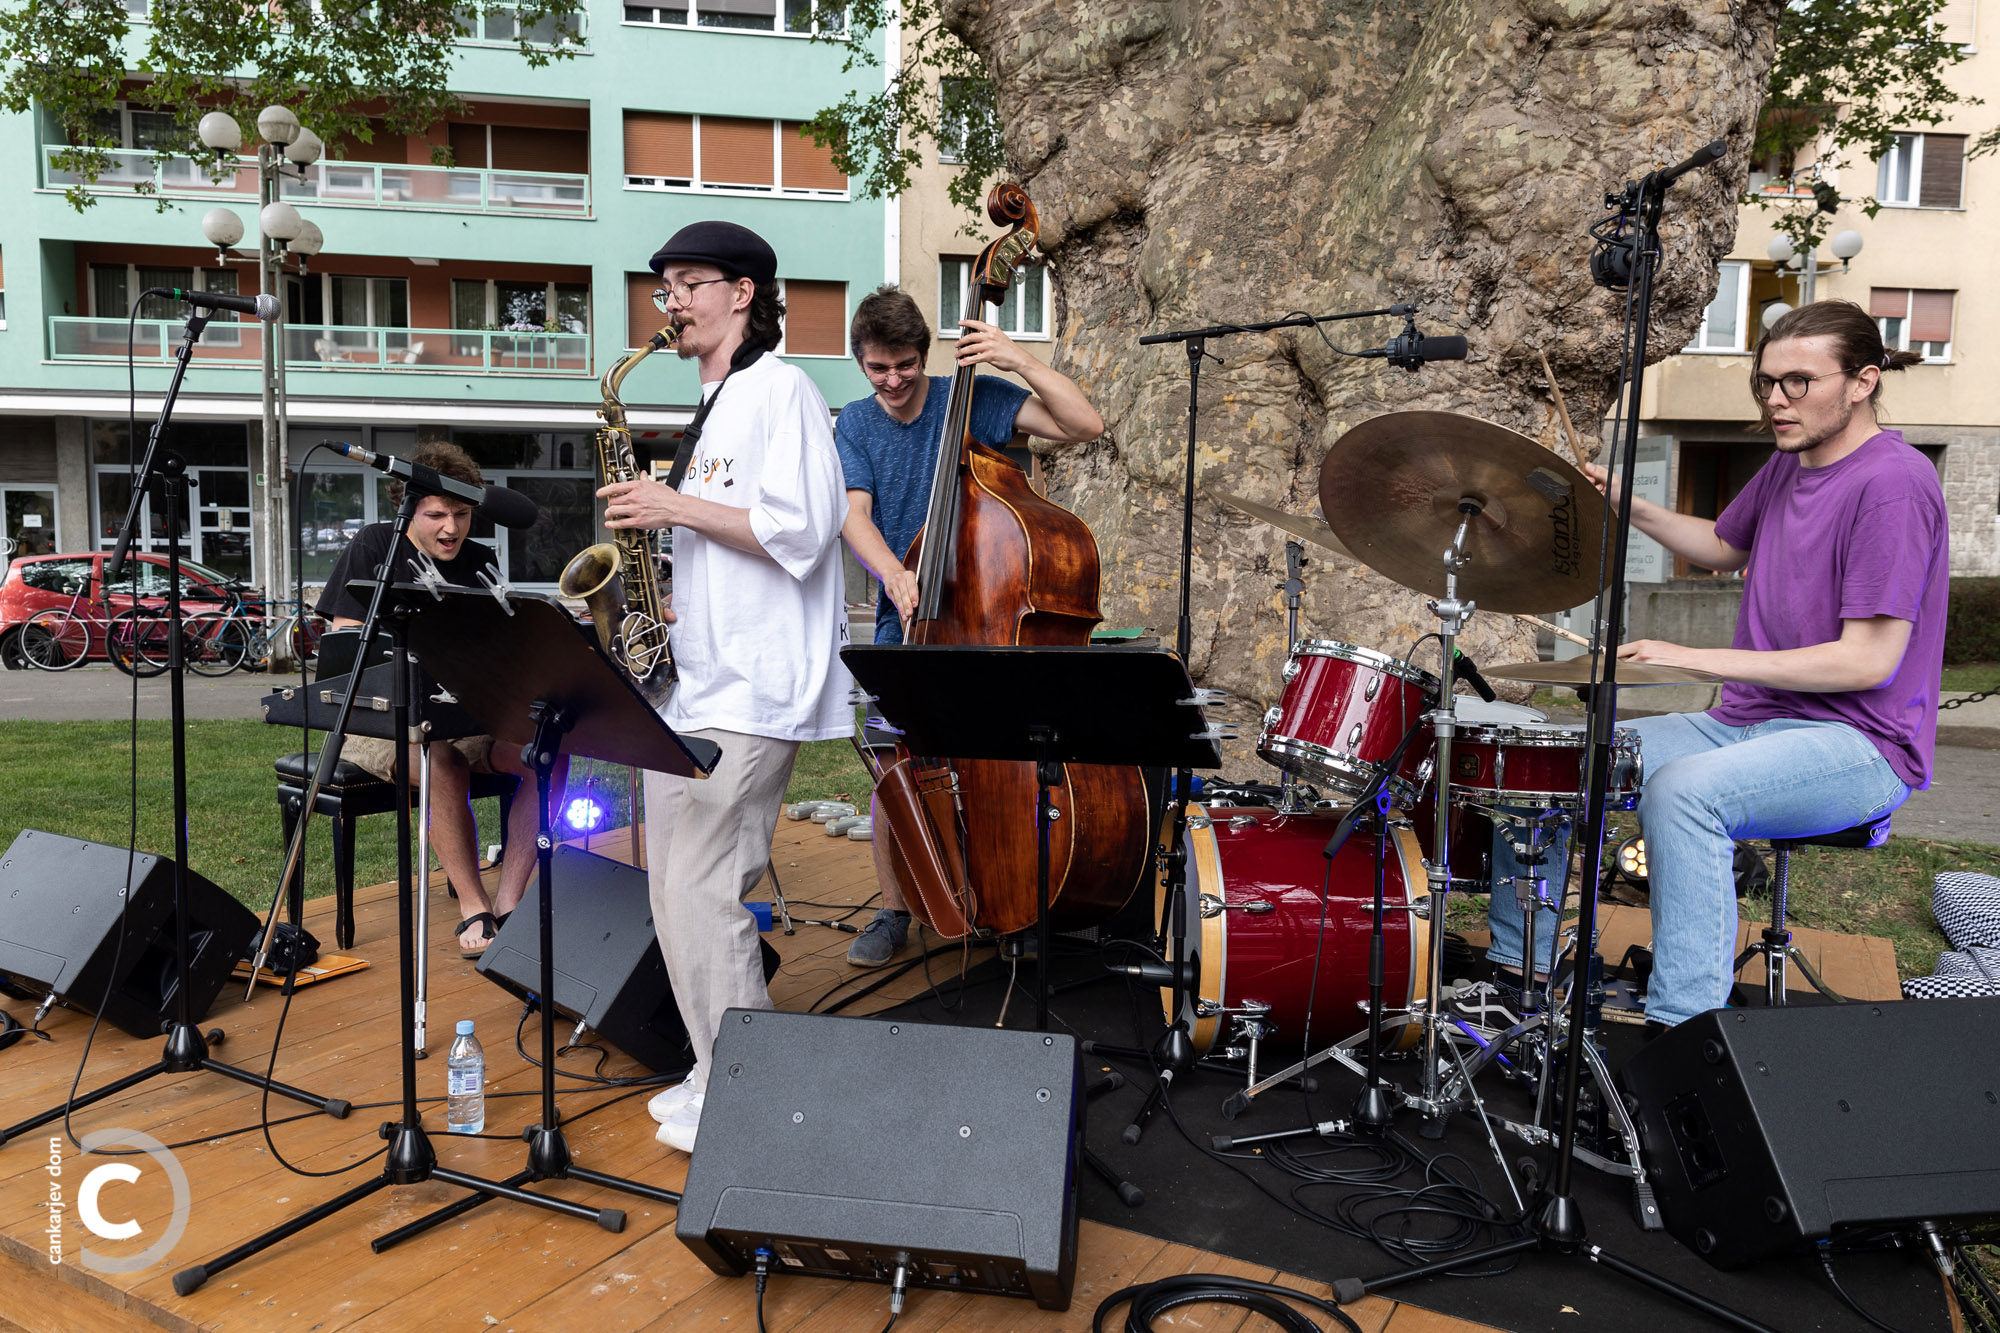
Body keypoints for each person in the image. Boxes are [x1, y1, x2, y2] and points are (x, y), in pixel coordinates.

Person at [1484, 299, 1946, 1029]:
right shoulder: (1788, 463)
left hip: (1861, 744)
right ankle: (1521, 976)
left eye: (1799, 382)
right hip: (1744, 723)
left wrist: (1692, 657)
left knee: (1685, 793)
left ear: (1863, 381)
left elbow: (1867, 661)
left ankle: (1684, 1033)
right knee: (1541, 764)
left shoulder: (1894, 483)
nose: (1776, 400)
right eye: (1766, 382)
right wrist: (1629, 504)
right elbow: (1725, 546)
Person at [598, 221, 853, 1153]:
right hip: (693, 683)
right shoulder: (713, 404)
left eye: (690, 283)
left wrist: (670, 504)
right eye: (664, 287)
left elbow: (805, 528)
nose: (671, 302)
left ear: (743, 293)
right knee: (673, 890)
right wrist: (665, 588)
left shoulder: (782, 389)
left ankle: (750, 1091)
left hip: (754, 686)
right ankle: (714, 1069)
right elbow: (724, 541)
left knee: (704, 889)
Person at [831, 283, 1107, 967]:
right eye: (878, 368)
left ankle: (1008, 896)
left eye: (905, 365)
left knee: (1001, 761)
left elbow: (1084, 425)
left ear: (924, 355)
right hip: (908, 617)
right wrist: (894, 573)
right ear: (861, 362)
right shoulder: (856, 423)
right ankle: (895, 909)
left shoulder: (972, 399)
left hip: (987, 614)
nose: (893, 380)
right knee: (894, 767)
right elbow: (853, 515)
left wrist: (1019, 359)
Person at [314, 441, 565, 961]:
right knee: (442, 763)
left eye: (462, 514)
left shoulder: (480, 560)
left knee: (548, 756)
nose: (451, 528)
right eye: (436, 515)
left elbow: (500, 646)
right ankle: (474, 906)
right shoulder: (374, 545)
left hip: (464, 714)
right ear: (408, 507)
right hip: (377, 720)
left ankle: (510, 901)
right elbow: (345, 648)